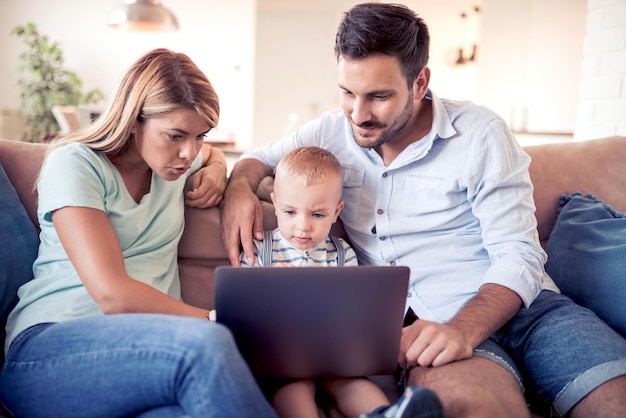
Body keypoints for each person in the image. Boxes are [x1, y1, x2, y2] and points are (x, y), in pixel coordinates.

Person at [220, 3, 626, 418]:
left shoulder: (481, 134)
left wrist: (463, 330)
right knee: (472, 411)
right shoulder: (330, 131)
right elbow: (259, 159)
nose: (358, 115)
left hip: (530, 312)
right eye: (347, 93)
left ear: (420, 82)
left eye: (378, 96)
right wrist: (239, 187)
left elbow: (519, 254)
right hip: (427, 329)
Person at [0, 48, 277, 418]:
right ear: (133, 121)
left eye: (198, 136)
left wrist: (215, 169)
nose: (187, 153)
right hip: (48, 352)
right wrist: (212, 319)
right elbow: (113, 295)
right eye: (176, 136)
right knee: (204, 346)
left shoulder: (173, 164)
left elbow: (208, 154)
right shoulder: (75, 164)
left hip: (142, 360)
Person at [239, 146, 442, 418]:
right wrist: (273, 291)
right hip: (283, 359)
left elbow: (352, 312)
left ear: (337, 212)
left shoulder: (342, 253)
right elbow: (243, 311)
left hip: (331, 355)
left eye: (318, 215)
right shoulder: (258, 251)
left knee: (354, 383)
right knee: (294, 387)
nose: (303, 226)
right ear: (275, 204)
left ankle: (386, 415)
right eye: (290, 212)